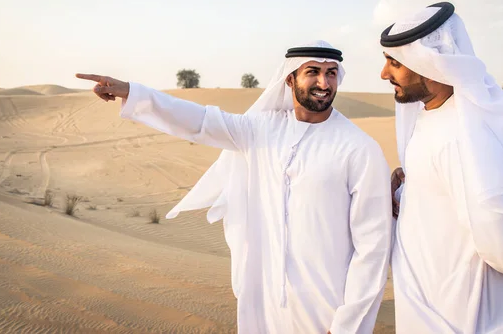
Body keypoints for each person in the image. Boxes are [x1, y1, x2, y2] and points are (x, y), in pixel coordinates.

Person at [76, 40, 393, 334]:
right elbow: (200, 121)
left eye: (331, 74)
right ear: (289, 79)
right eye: (313, 72)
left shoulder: (359, 148)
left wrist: (347, 323)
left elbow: (373, 246)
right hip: (265, 300)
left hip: (327, 306)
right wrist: (133, 93)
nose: (324, 83)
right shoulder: (260, 129)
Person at [379, 2, 503, 333]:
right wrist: (406, 187)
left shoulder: (464, 136)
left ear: (431, 63)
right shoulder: (432, 115)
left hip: (468, 316)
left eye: (394, 63)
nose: (384, 74)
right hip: (431, 308)